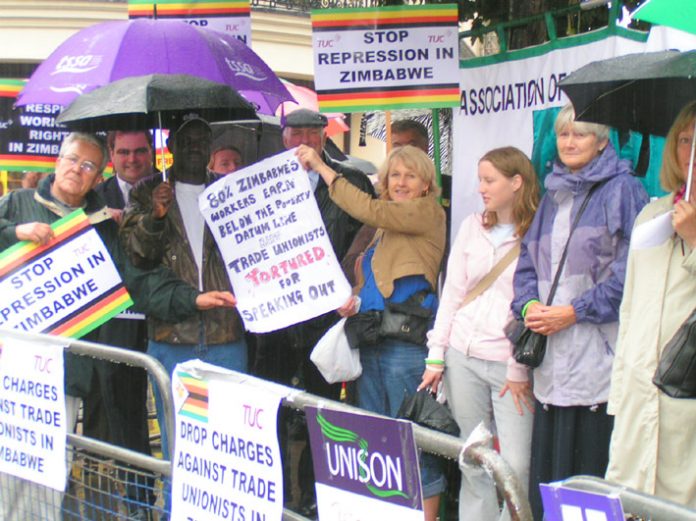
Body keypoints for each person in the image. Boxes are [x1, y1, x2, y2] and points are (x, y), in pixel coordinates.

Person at [0, 132, 236, 521]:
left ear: (98, 178)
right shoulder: (18, 204)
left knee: (49, 474)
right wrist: (15, 233)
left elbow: (137, 284)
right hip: (11, 370)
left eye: (88, 166)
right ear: (58, 161)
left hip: (62, 377)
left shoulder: (102, 229)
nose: (78, 169)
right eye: (72, 159)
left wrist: (192, 299)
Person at [511, 104, 648, 519]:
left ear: (602, 141)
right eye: (564, 134)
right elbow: (527, 264)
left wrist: (574, 312)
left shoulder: (624, 190)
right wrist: (529, 306)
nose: (569, 142)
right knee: (548, 486)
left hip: (597, 362)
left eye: (580, 134)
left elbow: (632, 274)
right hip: (552, 363)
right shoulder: (553, 193)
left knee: (588, 486)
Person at [296, 143, 447, 521]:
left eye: (411, 175)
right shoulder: (385, 226)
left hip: (405, 350)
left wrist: (321, 165)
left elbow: (365, 206)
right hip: (375, 343)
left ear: (427, 184)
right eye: (394, 175)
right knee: (377, 446)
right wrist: (355, 300)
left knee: (413, 444)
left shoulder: (427, 213)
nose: (401, 182)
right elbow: (380, 281)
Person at [252, 108, 375, 516]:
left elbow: (368, 233)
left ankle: (313, 495)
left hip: (327, 316)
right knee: (273, 401)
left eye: (312, 133)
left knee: (321, 407)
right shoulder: (260, 183)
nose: (303, 140)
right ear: (282, 138)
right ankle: (273, 489)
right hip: (277, 317)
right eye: (295, 133)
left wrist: (348, 283)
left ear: (324, 138)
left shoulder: (350, 180)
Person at [121, 115, 248, 469]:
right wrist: (155, 217)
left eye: (201, 140)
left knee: (228, 446)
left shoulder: (228, 190)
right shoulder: (145, 191)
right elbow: (137, 258)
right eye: (185, 140)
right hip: (173, 342)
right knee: (180, 449)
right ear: (170, 147)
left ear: (210, 148)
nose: (194, 146)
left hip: (227, 340)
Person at [422, 147, 539, 521]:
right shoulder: (472, 224)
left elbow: (533, 302)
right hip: (462, 354)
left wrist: (516, 363)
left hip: (509, 364)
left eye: (490, 180)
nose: (481, 188)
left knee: (516, 465)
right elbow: (452, 292)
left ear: (516, 182)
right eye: (481, 179)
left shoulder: (538, 229)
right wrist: (436, 354)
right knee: (472, 458)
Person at [606, 101, 696, 508]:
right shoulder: (651, 215)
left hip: (687, 405)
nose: (692, 151)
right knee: (633, 502)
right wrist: (621, 392)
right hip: (640, 396)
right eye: (685, 140)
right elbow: (630, 311)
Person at [83, 130, 156, 519]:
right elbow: (74, 226)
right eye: (124, 152)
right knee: (124, 418)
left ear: (151, 152)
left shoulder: (169, 189)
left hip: (162, 320)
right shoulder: (96, 196)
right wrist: (105, 217)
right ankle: (138, 502)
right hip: (114, 322)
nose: (132, 159)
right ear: (111, 154)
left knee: (168, 414)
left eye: (140, 151)